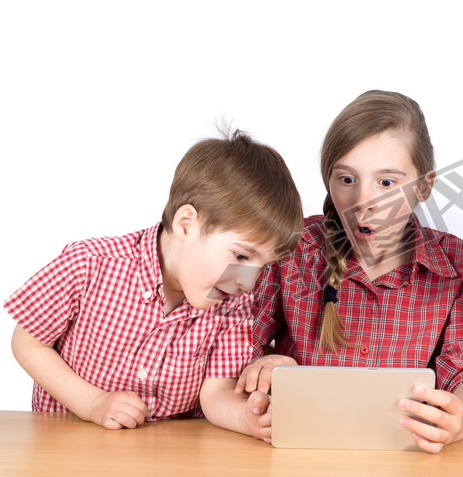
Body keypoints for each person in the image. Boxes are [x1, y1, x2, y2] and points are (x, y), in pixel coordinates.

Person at [235, 90, 463, 454]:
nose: (362, 203)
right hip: (300, 451)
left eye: (386, 182)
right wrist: (260, 367)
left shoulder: (459, 264)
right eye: (346, 179)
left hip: (404, 455)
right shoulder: (293, 248)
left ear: (424, 186)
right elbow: (232, 349)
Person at [5, 130, 303, 436]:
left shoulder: (234, 304)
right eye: (241, 256)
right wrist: (93, 403)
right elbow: (28, 342)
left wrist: (247, 419)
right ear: (186, 225)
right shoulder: (90, 264)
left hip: (166, 454)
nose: (247, 281)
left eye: (261, 266)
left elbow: (216, 392)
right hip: (68, 445)